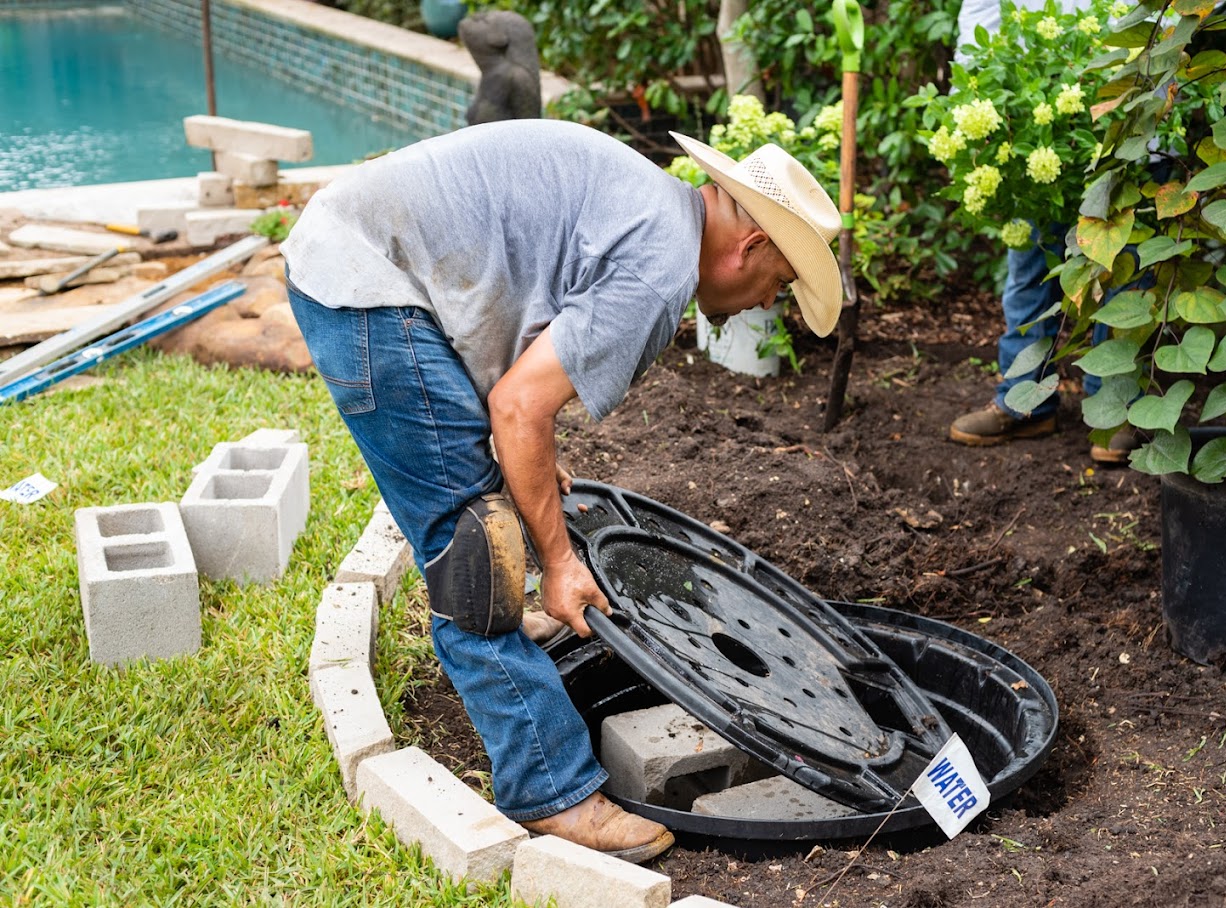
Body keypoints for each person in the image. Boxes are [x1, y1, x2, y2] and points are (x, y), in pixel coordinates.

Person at [280, 119, 841, 862]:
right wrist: (558, 562)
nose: (765, 303)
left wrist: (530, 469)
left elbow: (520, 360)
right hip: (368, 287)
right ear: (753, 246)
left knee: (502, 494)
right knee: (475, 551)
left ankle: (528, 687)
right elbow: (519, 407)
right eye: (779, 284)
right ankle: (551, 789)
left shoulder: (652, 212)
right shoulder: (658, 268)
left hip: (363, 260)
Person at [946, 0, 1135, 464]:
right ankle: (1024, 403)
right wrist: (976, 96)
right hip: (1036, 117)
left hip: (1127, 109)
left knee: (1120, 271)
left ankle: (1112, 412)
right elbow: (980, 15)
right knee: (1030, 270)